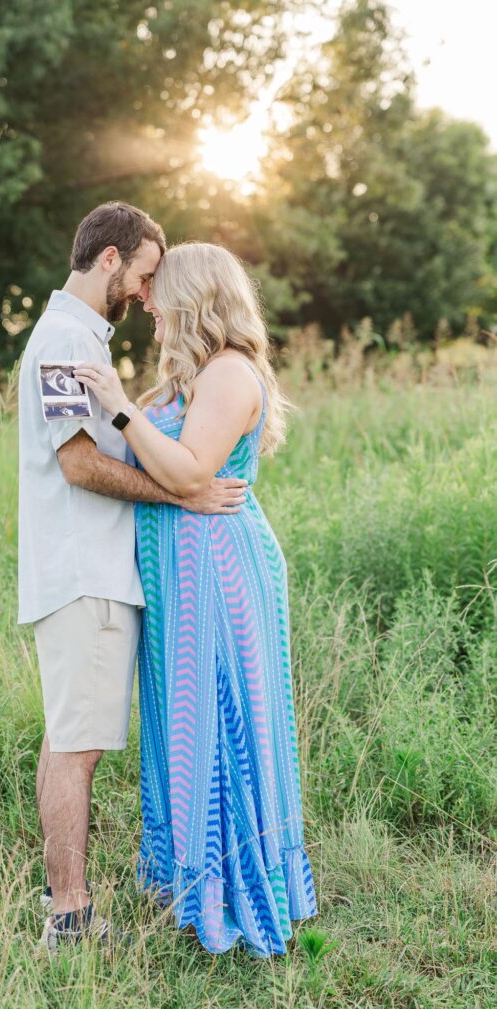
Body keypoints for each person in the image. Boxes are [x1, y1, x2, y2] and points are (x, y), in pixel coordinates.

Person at [75, 241, 319, 957]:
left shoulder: (231, 372)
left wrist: (119, 407)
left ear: (195, 297)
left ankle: (236, 893)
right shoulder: (189, 376)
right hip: (183, 576)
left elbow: (187, 471)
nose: (146, 300)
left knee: (222, 724)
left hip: (219, 572)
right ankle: (192, 890)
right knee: (184, 724)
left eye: (158, 291)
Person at [17, 205, 249, 952]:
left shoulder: (85, 339)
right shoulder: (61, 341)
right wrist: (182, 492)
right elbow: (79, 463)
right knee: (77, 744)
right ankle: (71, 917)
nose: (149, 293)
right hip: (84, 573)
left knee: (74, 738)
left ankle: (70, 906)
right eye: (146, 274)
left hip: (100, 573)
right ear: (111, 260)